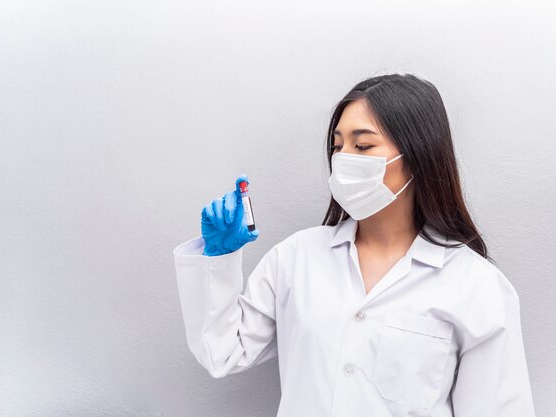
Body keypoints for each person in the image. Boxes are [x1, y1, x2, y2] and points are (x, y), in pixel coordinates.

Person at [172, 73, 535, 416]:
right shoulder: (296, 257)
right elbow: (221, 351)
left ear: (417, 157)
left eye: (363, 145)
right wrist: (217, 258)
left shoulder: (476, 285)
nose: (344, 160)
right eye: (338, 146)